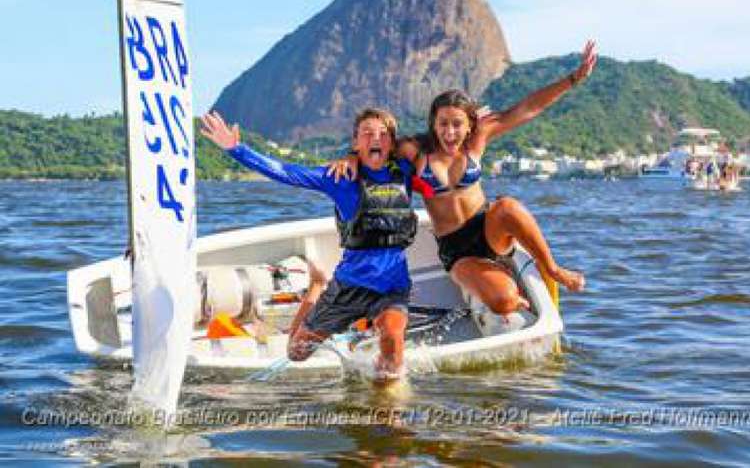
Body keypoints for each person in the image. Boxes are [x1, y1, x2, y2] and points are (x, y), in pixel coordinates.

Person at [331, 41, 597, 316]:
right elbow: (376, 147)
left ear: (469, 124)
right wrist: (350, 156)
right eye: (443, 123)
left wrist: (573, 79)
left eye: (457, 124)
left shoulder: (477, 139)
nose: (449, 132)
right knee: (504, 302)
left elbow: (528, 108)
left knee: (507, 206)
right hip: (458, 251)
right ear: (433, 124)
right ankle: (502, 285)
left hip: (489, 229)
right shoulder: (416, 150)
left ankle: (552, 268)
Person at [200, 108, 417, 380]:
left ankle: (388, 403)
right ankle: (316, 288)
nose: (376, 139)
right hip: (349, 286)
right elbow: (286, 172)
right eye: (367, 133)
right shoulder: (340, 178)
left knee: (393, 335)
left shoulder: (406, 172)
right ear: (356, 143)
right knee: (297, 352)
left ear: (392, 144)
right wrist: (236, 149)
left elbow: (442, 154)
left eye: (384, 135)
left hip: (392, 285)